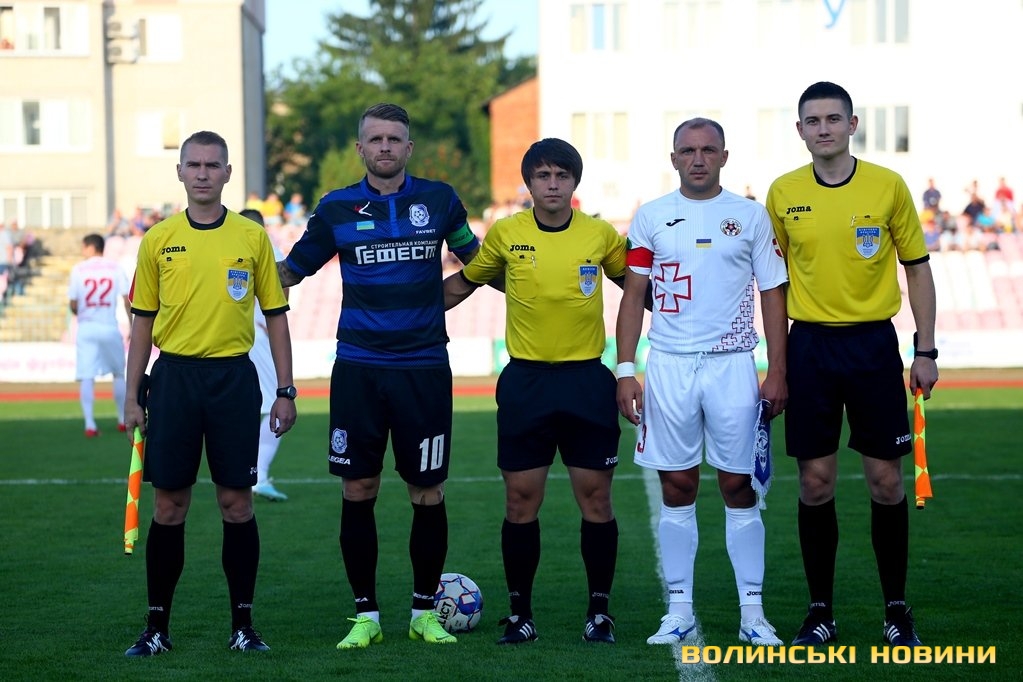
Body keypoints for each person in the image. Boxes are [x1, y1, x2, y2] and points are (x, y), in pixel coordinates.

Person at [276, 103, 481, 649]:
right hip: (359, 368)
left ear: (408, 148)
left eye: (394, 139)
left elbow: (478, 263)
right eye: (375, 139)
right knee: (358, 486)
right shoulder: (336, 207)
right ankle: (365, 615)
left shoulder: (440, 200)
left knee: (427, 489)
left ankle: (423, 613)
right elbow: (290, 272)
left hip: (424, 368)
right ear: (360, 148)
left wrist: (435, 303)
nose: (385, 147)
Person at [765, 81, 938, 648]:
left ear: (852, 124)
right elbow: (773, 284)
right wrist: (778, 366)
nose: (824, 129)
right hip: (810, 347)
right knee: (815, 482)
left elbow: (917, 267)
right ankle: (820, 612)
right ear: (800, 130)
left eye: (833, 119)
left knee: (886, 481)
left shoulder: (888, 186)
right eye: (813, 121)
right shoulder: (782, 193)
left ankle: (896, 610)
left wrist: (926, 350)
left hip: (873, 347)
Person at [444, 138, 626, 645]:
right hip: (526, 383)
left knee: (596, 499)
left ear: (575, 182)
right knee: (520, 500)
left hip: (587, 381)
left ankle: (599, 613)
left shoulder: (600, 235)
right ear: (528, 183)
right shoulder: (507, 233)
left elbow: (638, 293)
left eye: (561, 175)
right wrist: (404, 310)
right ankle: (521, 614)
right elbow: (465, 283)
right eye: (542, 175)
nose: (552, 184)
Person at [122, 130, 296, 657]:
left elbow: (276, 316)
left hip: (232, 380)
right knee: (169, 505)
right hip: (174, 380)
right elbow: (142, 323)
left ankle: (243, 626)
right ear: (180, 172)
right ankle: (156, 629)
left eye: (212, 165)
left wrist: (285, 390)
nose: (202, 173)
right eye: (193, 164)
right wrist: (131, 395)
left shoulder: (251, 236)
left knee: (236, 504)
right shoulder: (158, 239)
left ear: (227, 173)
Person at [616, 118, 789, 648]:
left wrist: (777, 370)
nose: (698, 159)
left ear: (724, 157)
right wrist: (625, 369)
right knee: (677, 485)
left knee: (739, 485)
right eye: (688, 151)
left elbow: (773, 293)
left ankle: (753, 613)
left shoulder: (750, 216)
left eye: (708, 150)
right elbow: (632, 296)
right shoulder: (650, 216)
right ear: (673, 158)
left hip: (733, 364)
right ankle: (679, 610)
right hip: (668, 365)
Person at [240, 208, 290, 501]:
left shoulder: (227, 243)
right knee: (276, 403)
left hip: (230, 333)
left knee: (235, 405)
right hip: (258, 332)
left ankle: (242, 471)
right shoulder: (268, 246)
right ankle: (259, 474)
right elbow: (283, 291)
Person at [67, 234, 131, 437]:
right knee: (118, 373)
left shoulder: (78, 269)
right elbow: (126, 299)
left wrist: (80, 311)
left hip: (87, 327)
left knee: (87, 375)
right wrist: (131, 325)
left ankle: (90, 424)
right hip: (109, 326)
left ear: (90, 247)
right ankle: (121, 420)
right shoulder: (115, 268)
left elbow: (73, 303)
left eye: (83, 246)